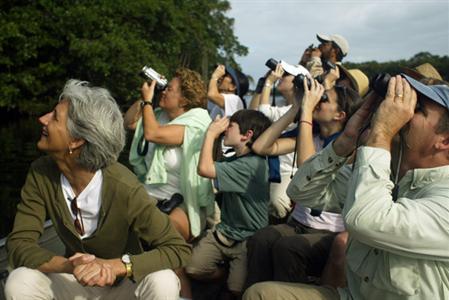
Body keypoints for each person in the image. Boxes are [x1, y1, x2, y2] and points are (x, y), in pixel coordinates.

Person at [244, 75, 449, 299]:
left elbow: (366, 220)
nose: (404, 112)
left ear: (445, 141)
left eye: (417, 109)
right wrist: (346, 140)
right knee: (260, 294)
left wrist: (380, 135)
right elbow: (302, 191)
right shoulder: (390, 173)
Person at [4, 80, 191, 300]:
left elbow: (178, 249)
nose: (42, 119)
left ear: (76, 141)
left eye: (54, 117)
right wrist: (68, 265)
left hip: (125, 286)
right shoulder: (41, 173)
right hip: (75, 282)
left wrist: (119, 266)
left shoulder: (124, 186)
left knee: (163, 281)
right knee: (20, 280)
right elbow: (18, 244)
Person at [246, 72, 363, 289]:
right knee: (261, 238)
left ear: (340, 115)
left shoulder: (349, 148)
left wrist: (307, 111)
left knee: (288, 247)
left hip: (328, 231)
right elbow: (262, 147)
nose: (318, 101)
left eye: (324, 99)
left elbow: (309, 168)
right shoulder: (312, 137)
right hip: (299, 223)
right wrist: (296, 108)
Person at [186, 110, 272, 296]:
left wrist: (210, 133)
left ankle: (229, 278)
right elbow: (216, 160)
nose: (226, 129)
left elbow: (205, 168)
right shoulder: (239, 159)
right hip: (225, 232)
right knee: (193, 269)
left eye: (230, 126)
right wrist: (216, 137)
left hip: (247, 240)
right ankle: (223, 274)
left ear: (246, 135)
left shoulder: (251, 166)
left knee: (236, 290)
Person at [124, 68, 214, 241]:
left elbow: (153, 134)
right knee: (115, 217)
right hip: (149, 193)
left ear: (184, 100)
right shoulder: (159, 116)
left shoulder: (196, 123)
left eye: (169, 89)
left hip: (184, 200)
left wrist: (149, 103)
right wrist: (144, 99)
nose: (164, 91)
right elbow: (130, 123)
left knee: (165, 230)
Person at [250, 61, 310, 221]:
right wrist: (264, 83)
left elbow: (263, 113)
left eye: (286, 75)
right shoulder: (284, 105)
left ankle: (281, 225)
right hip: (270, 166)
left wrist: (270, 82)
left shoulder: (297, 110)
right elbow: (253, 112)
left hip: (286, 171)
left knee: (277, 202)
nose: (281, 77)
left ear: (297, 84)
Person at [208, 64, 249, 157]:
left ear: (233, 87)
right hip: (219, 151)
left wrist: (215, 77)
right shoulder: (221, 101)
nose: (220, 77)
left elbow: (211, 94)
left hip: (226, 154)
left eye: (225, 76)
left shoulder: (234, 99)